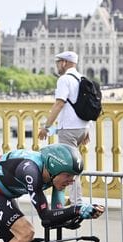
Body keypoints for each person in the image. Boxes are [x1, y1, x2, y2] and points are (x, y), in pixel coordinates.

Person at [38, 51, 90, 205]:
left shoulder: (64, 79)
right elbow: (88, 105)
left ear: (64, 63)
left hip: (69, 129)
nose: (57, 66)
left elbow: (59, 103)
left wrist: (46, 127)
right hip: (82, 128)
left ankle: (75, 202)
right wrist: (88, 129)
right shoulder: (82, 78)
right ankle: (73, 199)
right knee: (75, 163)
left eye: (58, 63)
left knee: (67, 166)